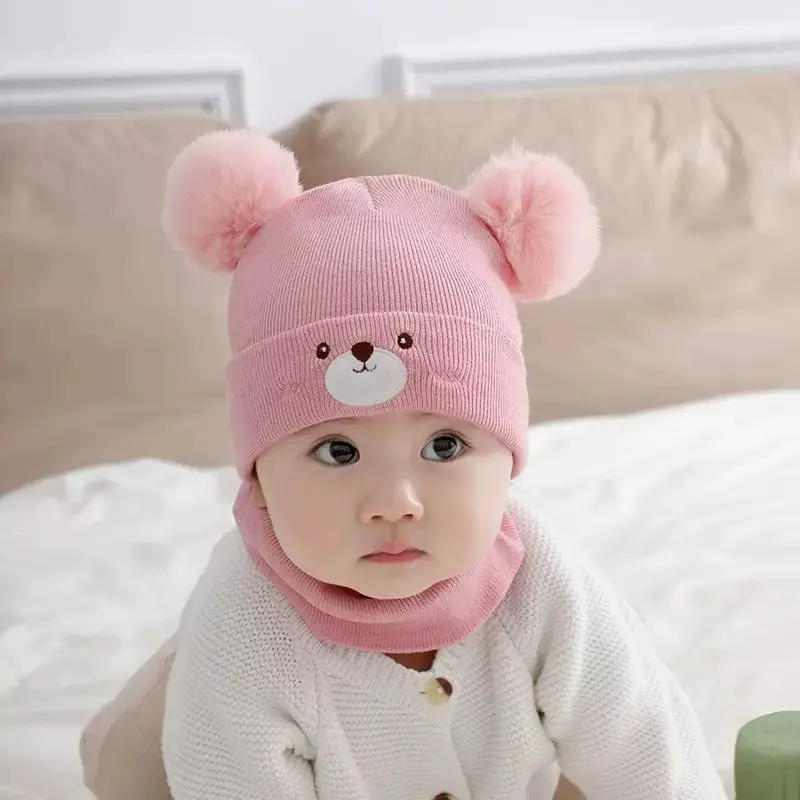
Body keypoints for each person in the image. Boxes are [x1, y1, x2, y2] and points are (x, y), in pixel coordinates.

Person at [79, 129, 727, 800]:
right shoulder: (245, 626)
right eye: (337, 451)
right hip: (192, 761)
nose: (395, 501)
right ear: (260, 479)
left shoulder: (540, 581)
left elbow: (648, 746)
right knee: (135, 766)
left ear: (507, 462)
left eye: (445, 446)